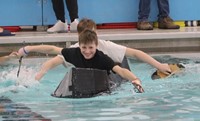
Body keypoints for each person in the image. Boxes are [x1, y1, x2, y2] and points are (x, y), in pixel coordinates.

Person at [18, 18, 171, 75]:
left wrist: (159, 65)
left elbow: (135, 54)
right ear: (79, 37)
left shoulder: (105, 45)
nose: (88, 47)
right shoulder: (77, 49)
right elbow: (53, 59)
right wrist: (39, 75)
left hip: (116, 72)